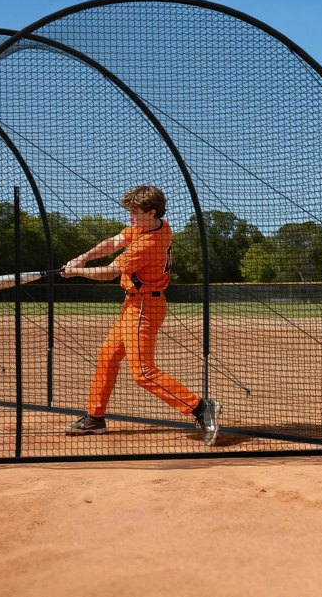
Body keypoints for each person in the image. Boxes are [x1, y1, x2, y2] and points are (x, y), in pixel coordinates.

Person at [61, 185, 220, 445]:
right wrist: (81, 258)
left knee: (143, 373)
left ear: (151, 211)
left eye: (134, 213)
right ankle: (95, 417)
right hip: (133, 304)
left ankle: (199, 407)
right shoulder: (155, 225)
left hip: (145, 307)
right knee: (107, 358)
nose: (130, 217)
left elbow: (110, 272)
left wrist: (76, 272)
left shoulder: (150, 242)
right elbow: (114, 242)